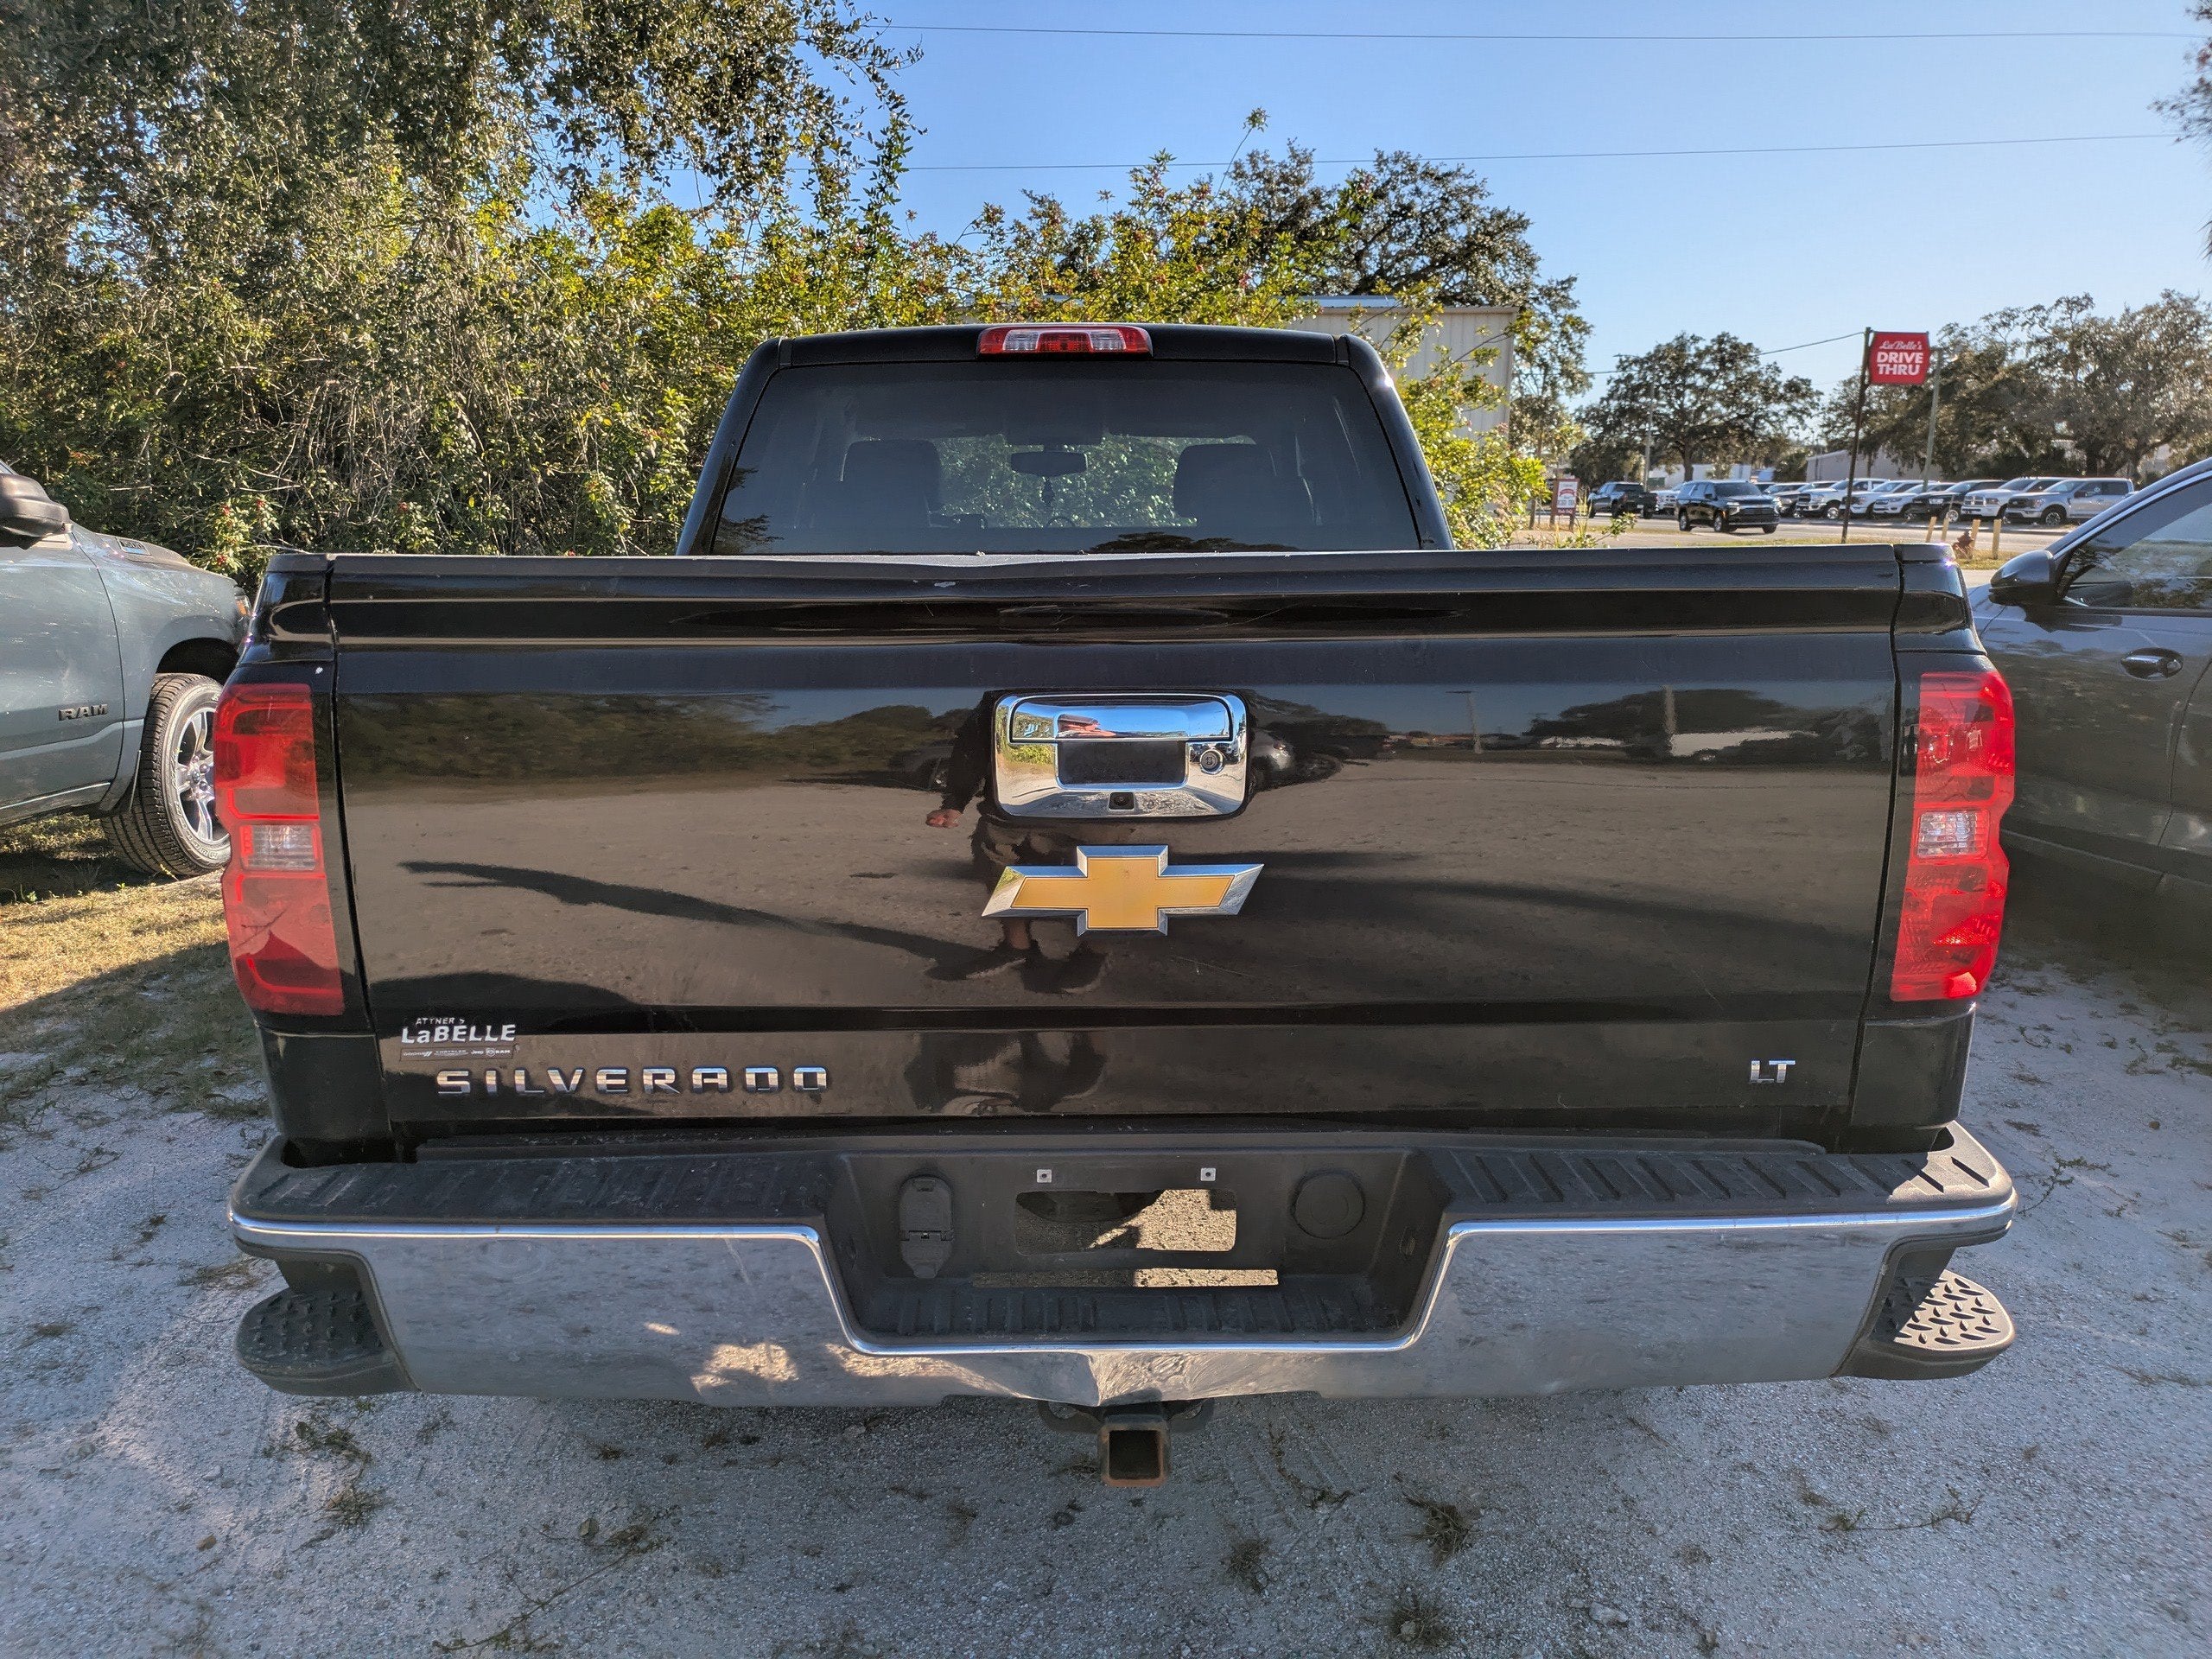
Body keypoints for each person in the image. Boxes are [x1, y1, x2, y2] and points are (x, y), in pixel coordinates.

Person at [924, 702, 1115, 991]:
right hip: (1016, 800)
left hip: (1101, 802)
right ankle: (1017, 946)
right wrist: (955, 802)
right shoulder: (1005, 683)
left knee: (1109, 871)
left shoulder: (1115, 678)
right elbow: (973, 745)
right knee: (996, 861)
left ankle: (1094, 952)